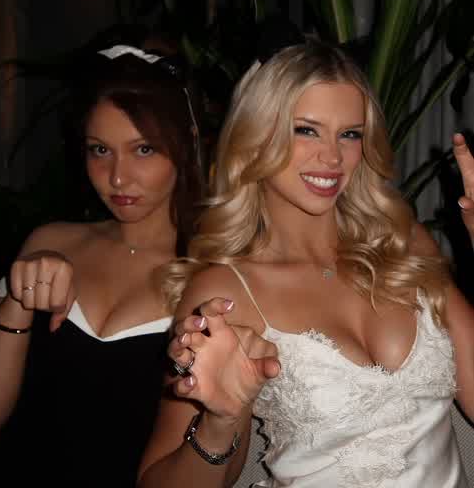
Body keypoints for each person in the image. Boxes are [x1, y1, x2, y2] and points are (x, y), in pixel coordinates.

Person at [137, 38, 474, 488]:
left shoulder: (406, 246)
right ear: (257, 136)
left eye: (350, 134)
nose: (332, 157)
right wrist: (221, 420)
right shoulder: (224, 292)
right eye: (306, 130)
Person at [0, 42, 203, 488]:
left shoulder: (212, 273)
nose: (118, 177)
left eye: (144, 150)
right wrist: (18, 302)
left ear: (187, 144)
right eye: (100, 150)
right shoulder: (49, 241)